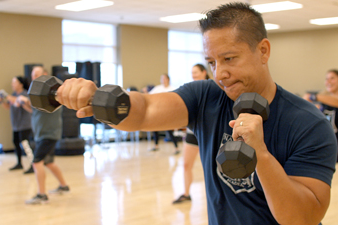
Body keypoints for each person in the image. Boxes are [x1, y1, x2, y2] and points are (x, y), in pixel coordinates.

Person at [55, 3, 337, 224]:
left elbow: (302, 218)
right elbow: (145, 111)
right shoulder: (206, 97)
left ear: (263, 51)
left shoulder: (308, 124)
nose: (220, 74)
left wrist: (260, 155)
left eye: (229, 59)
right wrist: (100, 98)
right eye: (212, 62)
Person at [18, 66, 70, 204]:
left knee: (36, 162)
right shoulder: (37, 93)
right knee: (49, 162)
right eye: (33, 75)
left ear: (45, 75)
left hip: (49, 133)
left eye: (37, 74)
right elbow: (35, 111)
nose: (34, 77)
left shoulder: (50, 91)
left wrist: (25, 100)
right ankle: (63, 186)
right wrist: (25, 104)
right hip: (42, 133)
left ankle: (41, 195)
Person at [172, 64, 209, 204]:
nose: (194, 75)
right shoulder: (191, 90)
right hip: (192, 133)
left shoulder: (211, 90)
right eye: (192, 73)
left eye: (196, 72)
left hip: (207, 134)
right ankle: (186, 194)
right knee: (186, 165)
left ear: (204, 72)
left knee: (211, 169)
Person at [0, 76, 34, 174]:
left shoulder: (24, 94)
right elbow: (8, 106)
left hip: (25, 125)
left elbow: (18, 100)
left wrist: (6, 95)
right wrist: (1, 100)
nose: (12, 84)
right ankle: (19, 163)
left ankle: (33, 165)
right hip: (16, 125)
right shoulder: (14, 94)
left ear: (20, 84)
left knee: (25, 145)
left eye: (14, 82)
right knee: (16, 143)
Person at [303, 69, 338, 162]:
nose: (328, 81)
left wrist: (313, 96)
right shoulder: (324, 103)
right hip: (327, 148)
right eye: (327, 79)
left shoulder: (327, 99)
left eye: (332, 78)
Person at [149, 74, 180, 155]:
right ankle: (156, 145)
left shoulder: (172, 89)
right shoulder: (157, 88)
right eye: (162, 78)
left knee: (169, 131)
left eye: (165, 78)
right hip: (158, 112)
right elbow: (149, 96)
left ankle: (176, 147)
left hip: (167, 113)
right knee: (154, 129)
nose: (163, 80)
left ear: (168, 79)